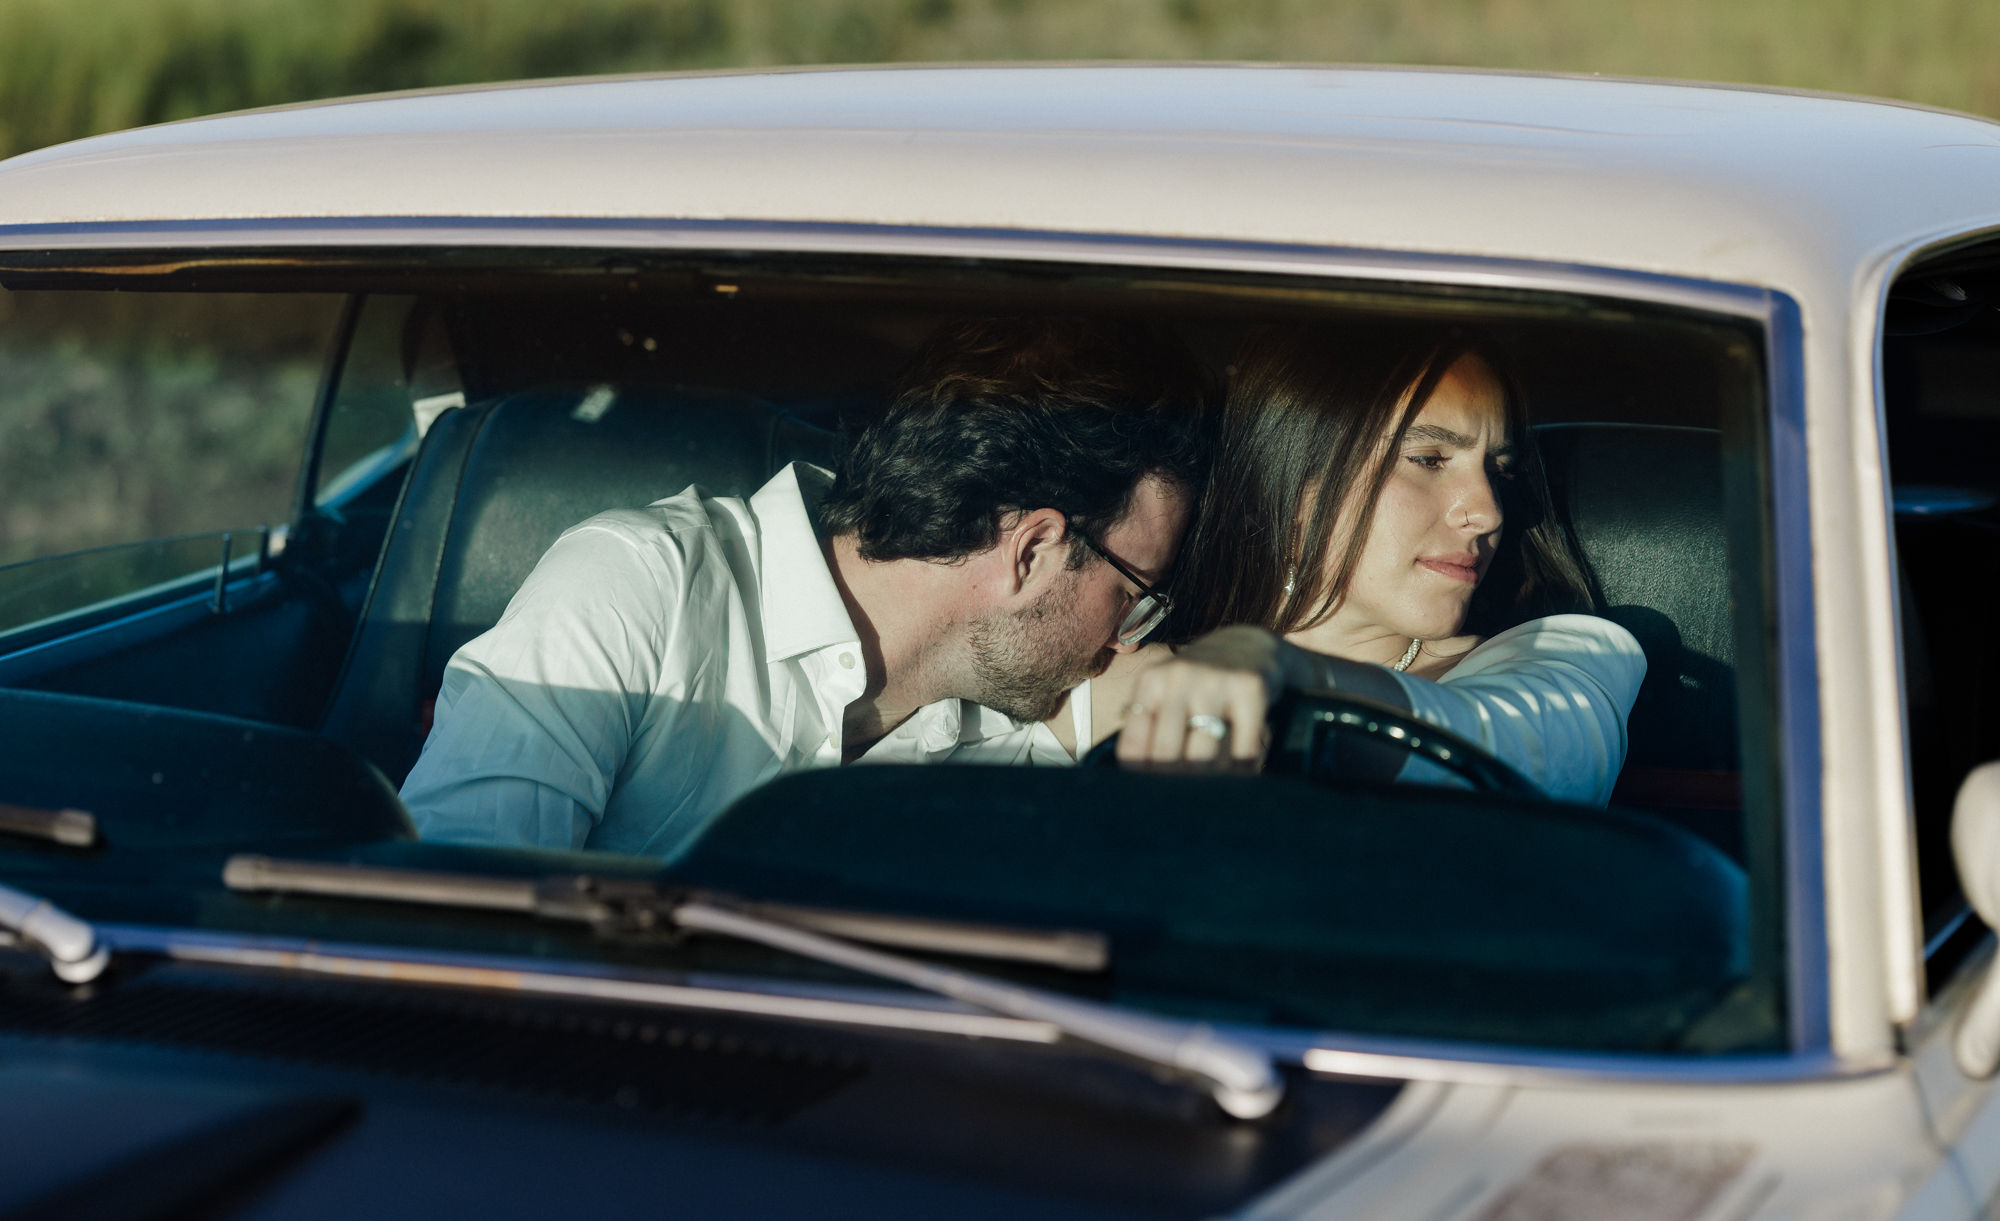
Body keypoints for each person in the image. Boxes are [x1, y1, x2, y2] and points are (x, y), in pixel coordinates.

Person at [400, 317, 1208, 856]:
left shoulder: (1007, 729)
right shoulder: (640, 589)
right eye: (1134, 592)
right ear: (1030, 551)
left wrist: (1251, 657)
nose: (1121, 637)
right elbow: (444, 922)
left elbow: (1209, 695)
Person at [1059, 321, 1643, 805]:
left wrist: (1292, 677)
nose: (1488, 511)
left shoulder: (1562, 661)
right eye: (1428, 458)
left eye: (1499, 469)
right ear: (1290, 479)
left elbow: (1534, 756)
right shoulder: (1104, 675)